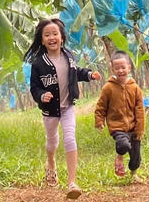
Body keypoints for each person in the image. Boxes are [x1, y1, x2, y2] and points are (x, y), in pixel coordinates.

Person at [25, 17, 100, 199]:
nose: (52, 37)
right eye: (47, 35)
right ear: (42, 40)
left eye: (55, 34)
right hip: (50, 110)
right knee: (52, 142)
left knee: (69, 138)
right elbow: (34, 87)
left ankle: (72, 182)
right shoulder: (38, 63)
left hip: (68, 106)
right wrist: (42, 95)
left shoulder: (69, 56)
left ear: (62, 37)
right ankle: (51, 162)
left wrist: (89, 74)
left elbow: (76, 72)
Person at [94, 51, 145, 179]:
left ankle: (134, 174)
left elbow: (140, 110)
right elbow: (101, 106)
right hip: (117, 127)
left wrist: (140, 129)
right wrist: (99, 121)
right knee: (123, 145)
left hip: (133, 127)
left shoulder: (135, 88)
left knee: (136, 155)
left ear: (129, 67)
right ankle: (119, 157)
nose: (120, 70)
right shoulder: (108, 88)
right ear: (113, 69)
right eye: (117, 68)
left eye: (123, 67)